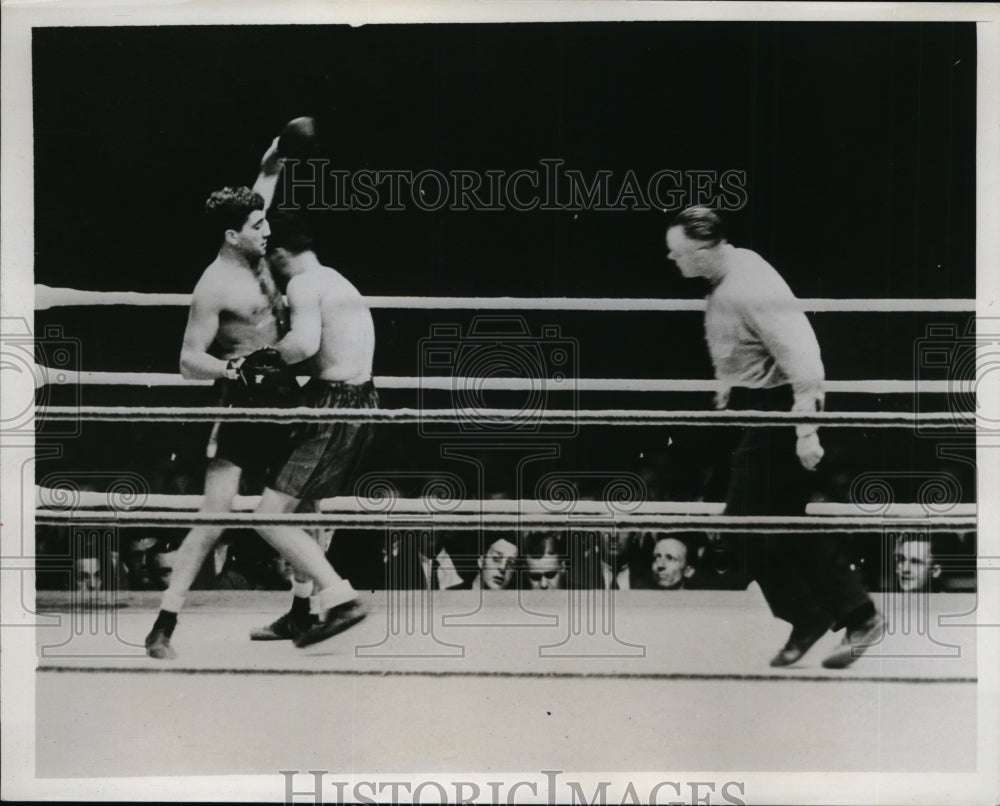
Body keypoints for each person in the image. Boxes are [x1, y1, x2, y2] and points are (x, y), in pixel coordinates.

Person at [666, 206, 883, 669]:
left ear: (704, 251)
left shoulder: (751, 285)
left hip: (780, 412)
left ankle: (849, 613)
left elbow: (804, 357)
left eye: (679, 253)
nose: (673, 260)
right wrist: (728, 382)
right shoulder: (727, 277)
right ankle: (821, 616)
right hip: (759, 408)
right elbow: (740, 341)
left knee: (751, 529)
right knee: (770, 528)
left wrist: (806, 430)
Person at [243, 208, 378, 647]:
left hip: (333, 405)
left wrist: (258, 360)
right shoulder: (336, 280)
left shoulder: (303, 284)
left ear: (280, 253)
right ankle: (302, 611)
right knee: (304, 509)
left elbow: (303, 344)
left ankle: (341, 598)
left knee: (268, 517)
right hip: (351, 400)